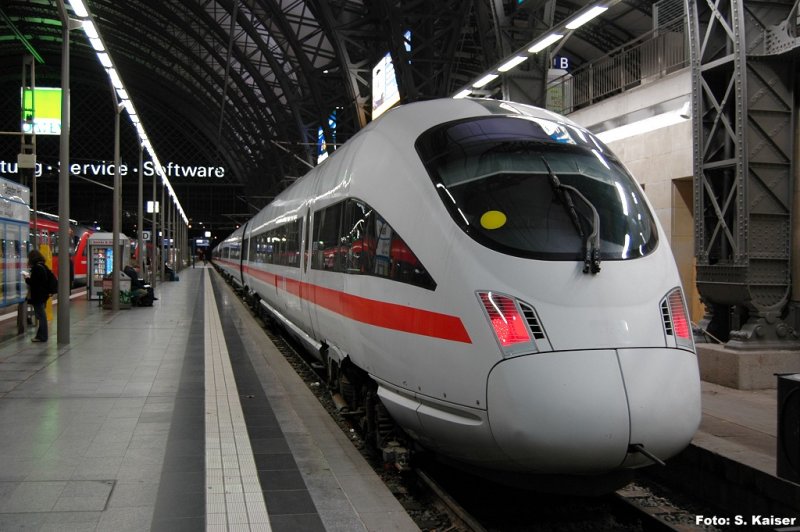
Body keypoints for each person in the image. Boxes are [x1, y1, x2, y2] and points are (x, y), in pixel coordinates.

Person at [25, 249, 51, 342]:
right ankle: (40, 335)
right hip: (43, 295)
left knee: (41, 316)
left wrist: (27, 279)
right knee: (41, 316)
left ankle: (43, 336)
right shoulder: (43, 265)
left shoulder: (37, 268)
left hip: (38, 296)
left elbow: (34, 283)